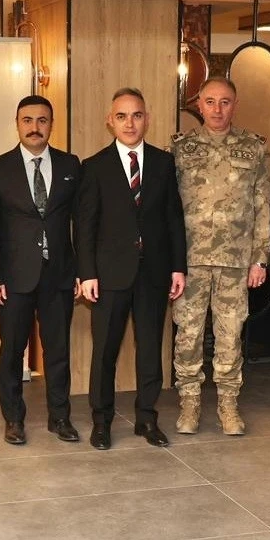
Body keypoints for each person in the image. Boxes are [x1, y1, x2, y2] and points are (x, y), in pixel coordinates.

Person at [77, 88, 187, 450]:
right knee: (105, 351)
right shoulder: (94, 166)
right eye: (122, 116)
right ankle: (101, 421)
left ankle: (147, 418)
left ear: (147, 119)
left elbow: (173, 219)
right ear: (110, 121)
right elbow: (85, 225)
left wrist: (178, 267)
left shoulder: (163, 163)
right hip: (109, 275)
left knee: (150, 349)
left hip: (154, 273)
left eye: (137, 115)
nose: (130, 123)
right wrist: (87, 273)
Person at [170, 76, 270, 435]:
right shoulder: (180, 148)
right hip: (190, 261)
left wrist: (260, 258)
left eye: (225, 102)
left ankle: (228, 405)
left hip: (235, 262)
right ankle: (189, 402)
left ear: (235, 105)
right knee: (188, 335)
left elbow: (263, 206)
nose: (217, 109)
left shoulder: (254, 148)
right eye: (210, 102)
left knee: (230, 336)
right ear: (199, 105)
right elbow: (168, 209)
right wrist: (171, 260)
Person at [0, 94, 81, 446]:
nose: (35, 127)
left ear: (51, 124)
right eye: (27, 120)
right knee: (12, 352)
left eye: (42, 120)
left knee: (58, 351)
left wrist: (81, 271)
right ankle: (13, 419)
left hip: (59, 275)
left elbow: (81, 222)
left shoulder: (71, 165)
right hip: (14, 278)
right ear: (17, 124)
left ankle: (60, 417)